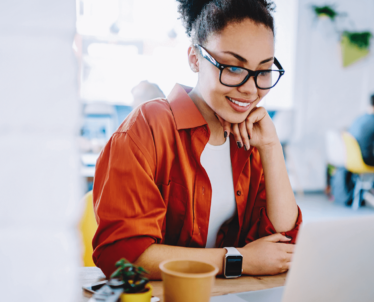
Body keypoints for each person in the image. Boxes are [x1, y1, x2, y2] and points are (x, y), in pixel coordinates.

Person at [92, 0, 301, 279]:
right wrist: (239, 260)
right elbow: (124, 256)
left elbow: (282, 245)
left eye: (263, 71)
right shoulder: (146, 128)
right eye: (233, 68)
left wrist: (272, 148)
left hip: (230, 300)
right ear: (194, 58)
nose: (251, 90)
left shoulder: (251, 137)